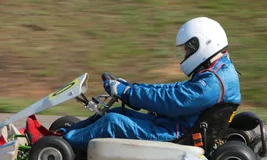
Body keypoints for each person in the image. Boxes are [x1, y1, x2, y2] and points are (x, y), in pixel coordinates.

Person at [58, 16, 241, 151]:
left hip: (177, 134)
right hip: (177, 125)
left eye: (188, 50)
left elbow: (172, 101)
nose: (186, 56)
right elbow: (174, 90)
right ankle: (65, 134)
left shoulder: (212, 83)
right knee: (117, 112)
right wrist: (131, 88)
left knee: (113, 122)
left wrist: (128, 92)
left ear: (202, 45)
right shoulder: (218, 71)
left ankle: (60, 145)